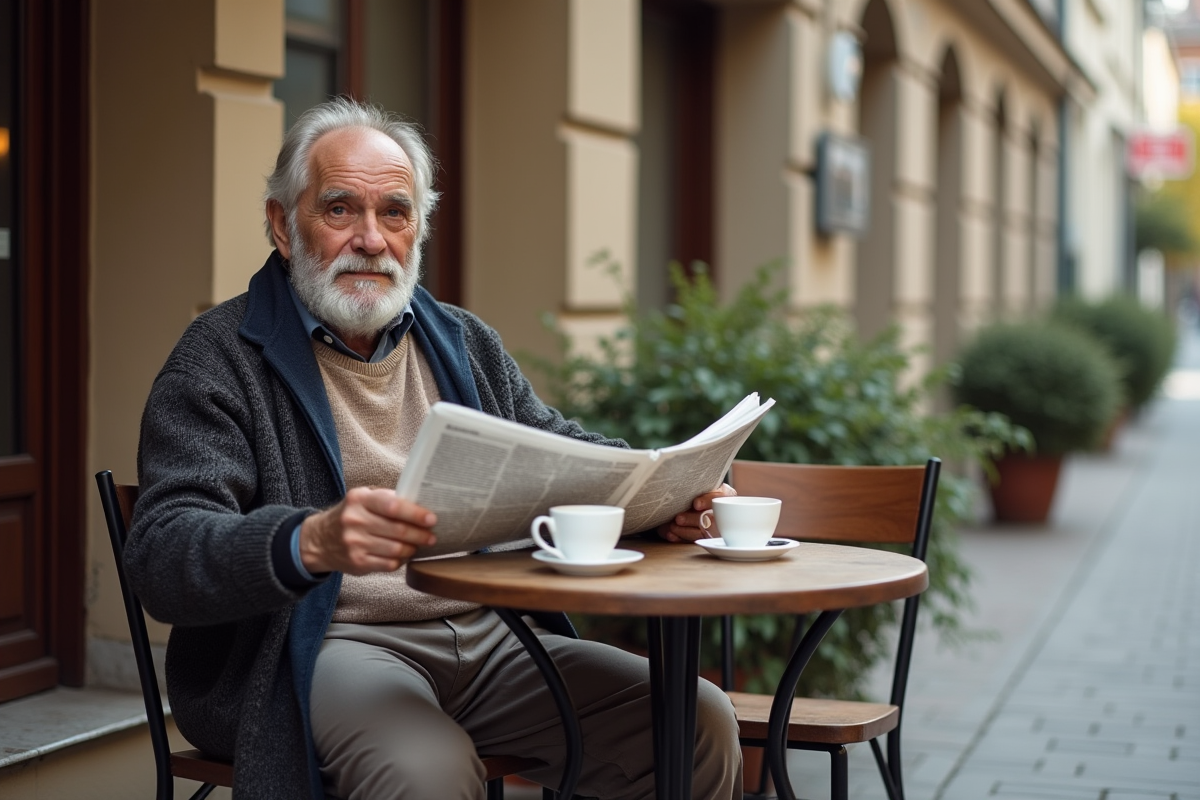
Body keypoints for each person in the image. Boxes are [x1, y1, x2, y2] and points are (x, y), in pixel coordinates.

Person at [125, 97, 743, 800]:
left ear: (418, 228)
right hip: (323, 646)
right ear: (282, 226)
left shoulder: (462, 340)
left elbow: (560, 449)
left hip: (491, 636)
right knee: (427, 771)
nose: (370, 238)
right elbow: (163, 555)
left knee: (697, 718)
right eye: (338, 209)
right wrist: (309, 539)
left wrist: (664, 500)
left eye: (395, 212)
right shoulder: (217, 360)